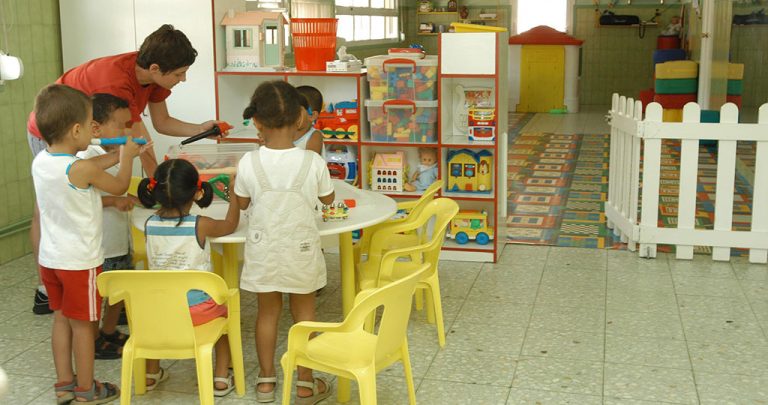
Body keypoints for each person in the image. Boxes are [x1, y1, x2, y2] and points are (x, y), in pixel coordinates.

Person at [27, 24, 225, 315]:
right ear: (156, 67)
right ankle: (49, 287)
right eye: (179, 73)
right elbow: (138, 143)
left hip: (88, 136)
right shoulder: (115, 82)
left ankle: (102, 291)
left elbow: (161, 123)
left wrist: (201, 129)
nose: (183, 79)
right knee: (49, 209)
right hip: (54, 134)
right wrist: (163, 186)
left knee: (88, 201)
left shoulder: (152, 75)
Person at [31, 84, 142, 404]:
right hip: (80, 262)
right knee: (84, 327)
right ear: (77, 130)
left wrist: (116, 154)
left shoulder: (42, 162)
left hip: (51, 260)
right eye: (89, 124)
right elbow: (120, 185)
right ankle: (86, 389)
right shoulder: (81, 167)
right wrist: (128, 158)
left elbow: (87, 173)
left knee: (62, 319)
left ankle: (64, 385)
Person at [235, 81, 334, 404]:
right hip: (302, 248)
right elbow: (328, 198)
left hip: (263, 249)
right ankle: (304, 383)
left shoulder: (248, 162)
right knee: (305, 314)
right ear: (300, 119)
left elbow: (243, 203)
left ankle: (266, 382)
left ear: (258, 123)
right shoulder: (312, 161)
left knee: (267, 313)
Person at [136, 159, 239, 397]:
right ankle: (222, 377)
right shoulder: (200, 225)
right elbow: (230, 224)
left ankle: (151, 373)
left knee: (158, 312)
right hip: (198, 313)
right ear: (196, 193)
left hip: (157, 310)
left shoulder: (149, 224)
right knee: (225, 315)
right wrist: (234, 195)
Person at [78, 94, 136, 360]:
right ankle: (94, 340)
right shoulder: (87, 156)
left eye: (128, 126)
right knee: (98, 297)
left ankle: (109, 331)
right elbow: (86, 200)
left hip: (119, 240)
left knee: (120, 289)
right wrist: (115, 199)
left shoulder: (115, 152)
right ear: (97, 129)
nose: (126, 132)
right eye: (120, 126)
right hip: (100, 244)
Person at [294, 85, 324, 155]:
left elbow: (309, 161)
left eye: (295, 111)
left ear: (312, 116)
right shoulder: (287, 133)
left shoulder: (315, 136)